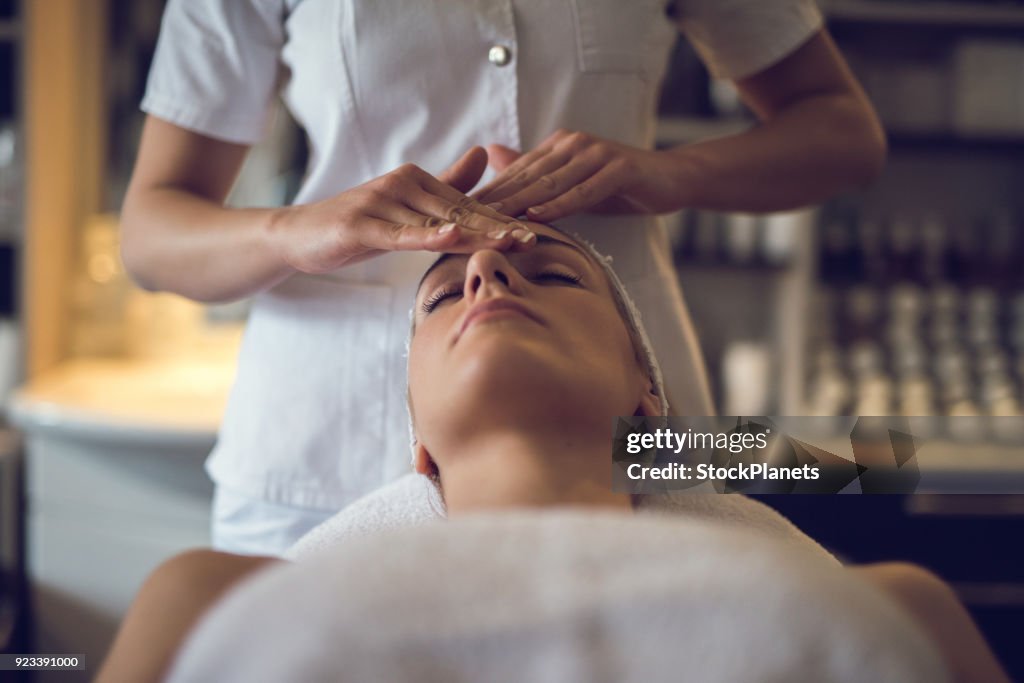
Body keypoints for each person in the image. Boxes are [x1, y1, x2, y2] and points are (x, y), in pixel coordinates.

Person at [122, 0, 888, 555]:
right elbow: (150, 234)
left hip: (622, 443)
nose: (485, 272)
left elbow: (845, 134)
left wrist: (670, 175)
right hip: (323, 445)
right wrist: (297, 230)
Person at [97, 224, 1008, 683]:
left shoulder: (906, 612)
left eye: (555, 273)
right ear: (419, 441)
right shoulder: (198, 602)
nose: (489, 273)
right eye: (444, 295)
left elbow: (874, 453)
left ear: (646, 393)